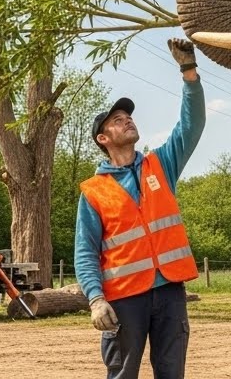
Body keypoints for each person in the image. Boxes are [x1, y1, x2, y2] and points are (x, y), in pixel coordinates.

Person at [75, 38, 203, 379]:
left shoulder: (161, 165)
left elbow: (191, 128)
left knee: (172, 373)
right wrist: (95, 299)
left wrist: (188, 71)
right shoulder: (93, 191)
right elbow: (85, 252)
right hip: (124, 298)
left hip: (170, 291)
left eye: (128, 116)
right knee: (122, 374)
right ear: (103, 139)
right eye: (117, 120)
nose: (127, 121)